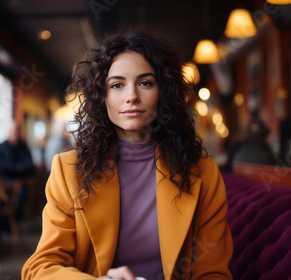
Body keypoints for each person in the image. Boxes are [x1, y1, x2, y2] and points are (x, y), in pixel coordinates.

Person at [22, 31, 233, 280]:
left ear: (163, 92)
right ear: (102, 98)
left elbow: (213, 274)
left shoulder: (204, 173)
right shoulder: (68, 171)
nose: (132, 96)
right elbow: (41, 267)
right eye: (117, 85)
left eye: (145, 83)